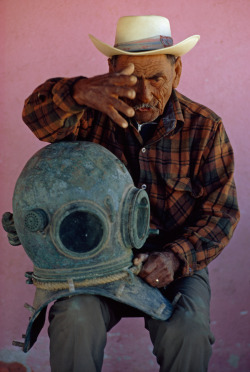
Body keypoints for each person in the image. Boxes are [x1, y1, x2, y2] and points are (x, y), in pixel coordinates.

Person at [22, 15, 240, 372]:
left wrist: (175, 258)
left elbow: (222, 213)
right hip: (93, 261)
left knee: (189, 331)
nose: (143, 94)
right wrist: (78, 91)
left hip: (175, 261)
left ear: (177, 71)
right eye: (130, 79)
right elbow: (36, 117)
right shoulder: (88, 115)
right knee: (73, 319)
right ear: (110, 69)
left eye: (156, 78)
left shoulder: (205, 128)